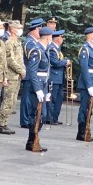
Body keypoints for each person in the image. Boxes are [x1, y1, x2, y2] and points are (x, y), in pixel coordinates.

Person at [21, 21, 51, 153]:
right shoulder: (36, 51)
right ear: (48, 37)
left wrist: (47, 90)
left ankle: (32, 140)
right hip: (36, 87)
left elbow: (46, 73)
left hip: (42, 86)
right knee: (37, 114)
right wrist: (38, 89)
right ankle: (32, 141)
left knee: (41, 115)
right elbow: (32, 72)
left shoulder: (43, 50)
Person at [76, 26, 93, 141]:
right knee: (84, 108)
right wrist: (89, 85)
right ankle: (81, 132)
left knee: (89, 108)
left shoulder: (92, 48)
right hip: (86, 83)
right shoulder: (85, 49)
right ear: (89, 36)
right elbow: (84, 69)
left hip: (92, 81)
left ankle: (87, 129)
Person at [46, 29, 68, 125]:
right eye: (61, 37)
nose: (63, 39)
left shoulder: (57, 48)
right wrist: (65, 62)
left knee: (59, 98)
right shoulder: (51, 48)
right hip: (54, 77)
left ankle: (55, 118)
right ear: (57, 38)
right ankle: (49, 118)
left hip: (59, 77)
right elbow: (55, 62)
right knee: (53, 98)